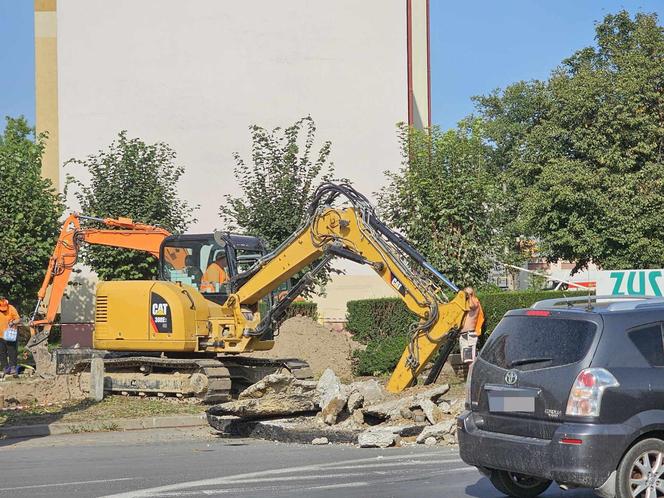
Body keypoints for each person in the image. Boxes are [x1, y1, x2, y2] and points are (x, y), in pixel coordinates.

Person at [459, 287, 484, 364]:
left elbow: (472, 305)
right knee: (466, 359)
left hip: (470, 335)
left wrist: (469, 296)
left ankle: (471, 376)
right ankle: (469, 375)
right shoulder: (465, 303)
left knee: (470, 360)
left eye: (469, 294)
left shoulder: (475, 302)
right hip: (464, 334)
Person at [0, 296, 21, 377]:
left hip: (10, 334)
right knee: (2, 353)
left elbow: (18, 319)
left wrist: (13, 322)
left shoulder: (11, 308)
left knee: (12, 352)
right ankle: (5, 368)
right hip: (0, 335)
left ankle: (13, 368)